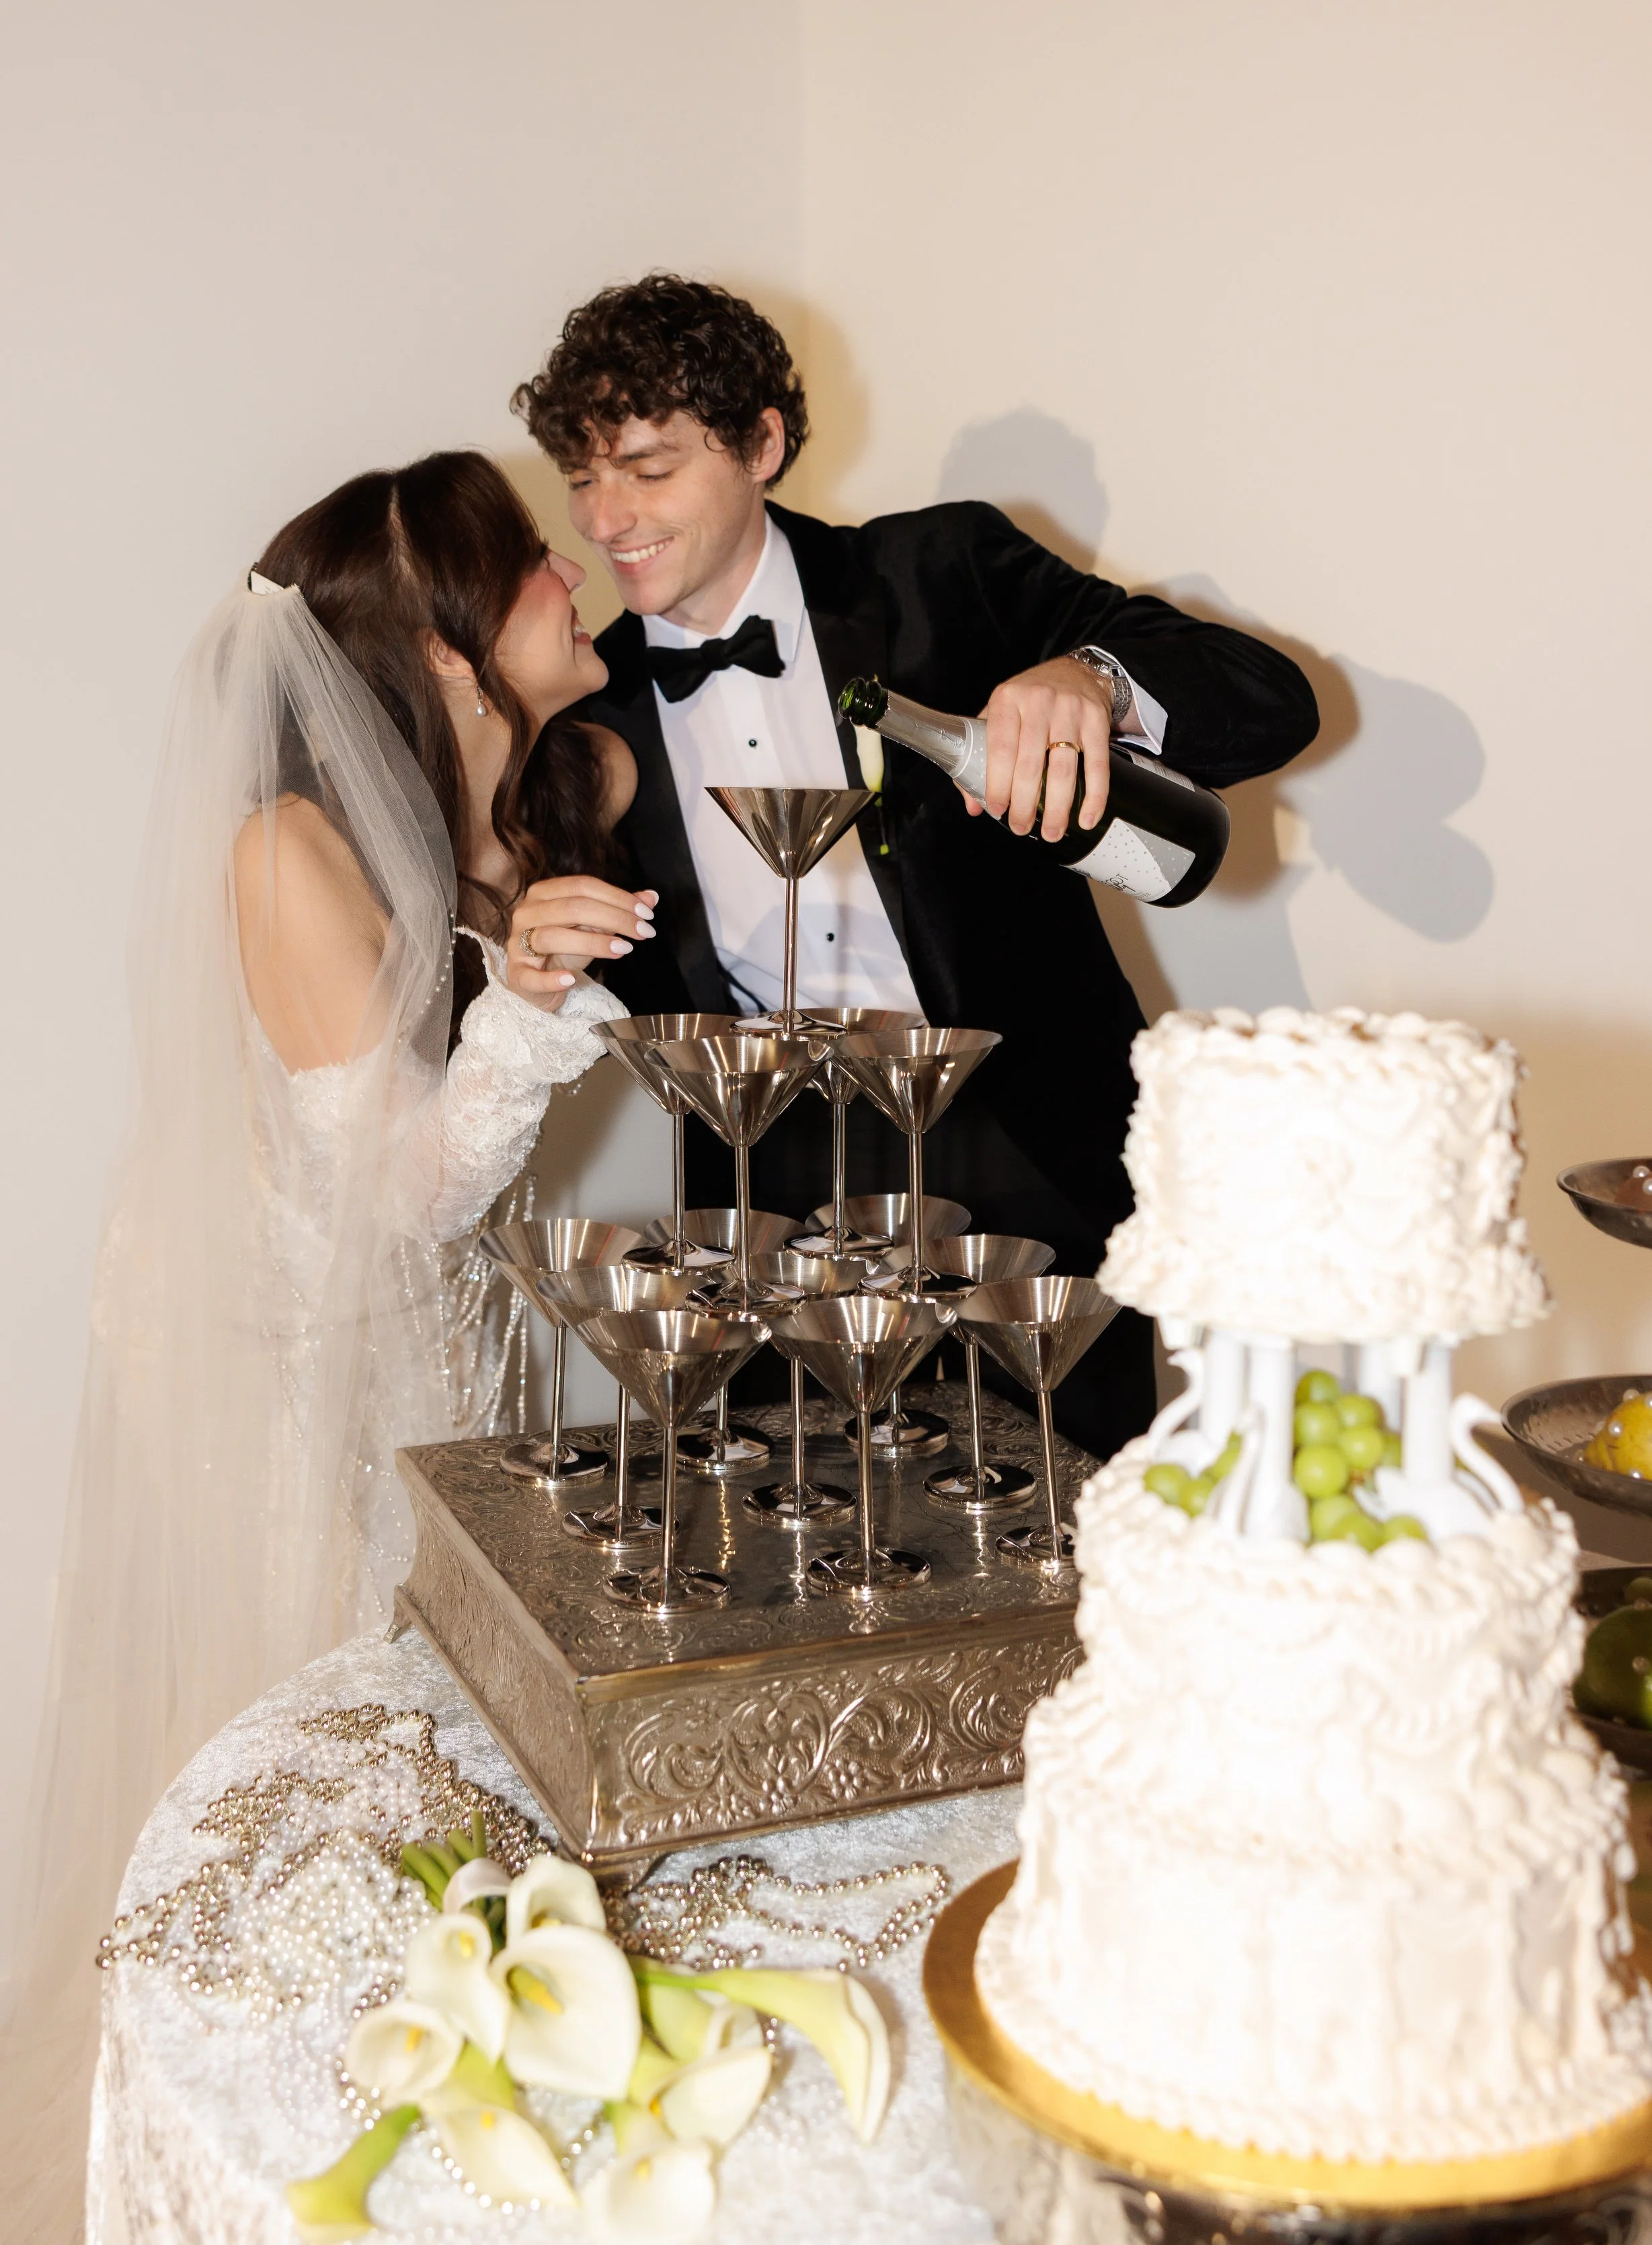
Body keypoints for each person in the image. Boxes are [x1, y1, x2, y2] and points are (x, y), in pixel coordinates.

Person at [5, 451, 653, 2242]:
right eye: (529, 559)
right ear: (447, 644)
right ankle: (260, 2172)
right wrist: (526, 1011)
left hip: (406, 1352)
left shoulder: (492, 812)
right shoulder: (284, 849)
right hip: (282, 1370)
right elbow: (400, 1195)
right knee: (318, 1756)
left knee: (429, 1758)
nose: (569, 567)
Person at [512, 276, 1319, 1453]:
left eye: (648, 467)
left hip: (1028, 1172)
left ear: (762, 445)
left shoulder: (940, 573)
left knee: (1072, 1550)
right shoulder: (592, 707)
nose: (605, 516)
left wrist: (1087, 678)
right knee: (806, 1566)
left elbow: (1269, 700)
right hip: (770, 1216)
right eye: (582, 477)